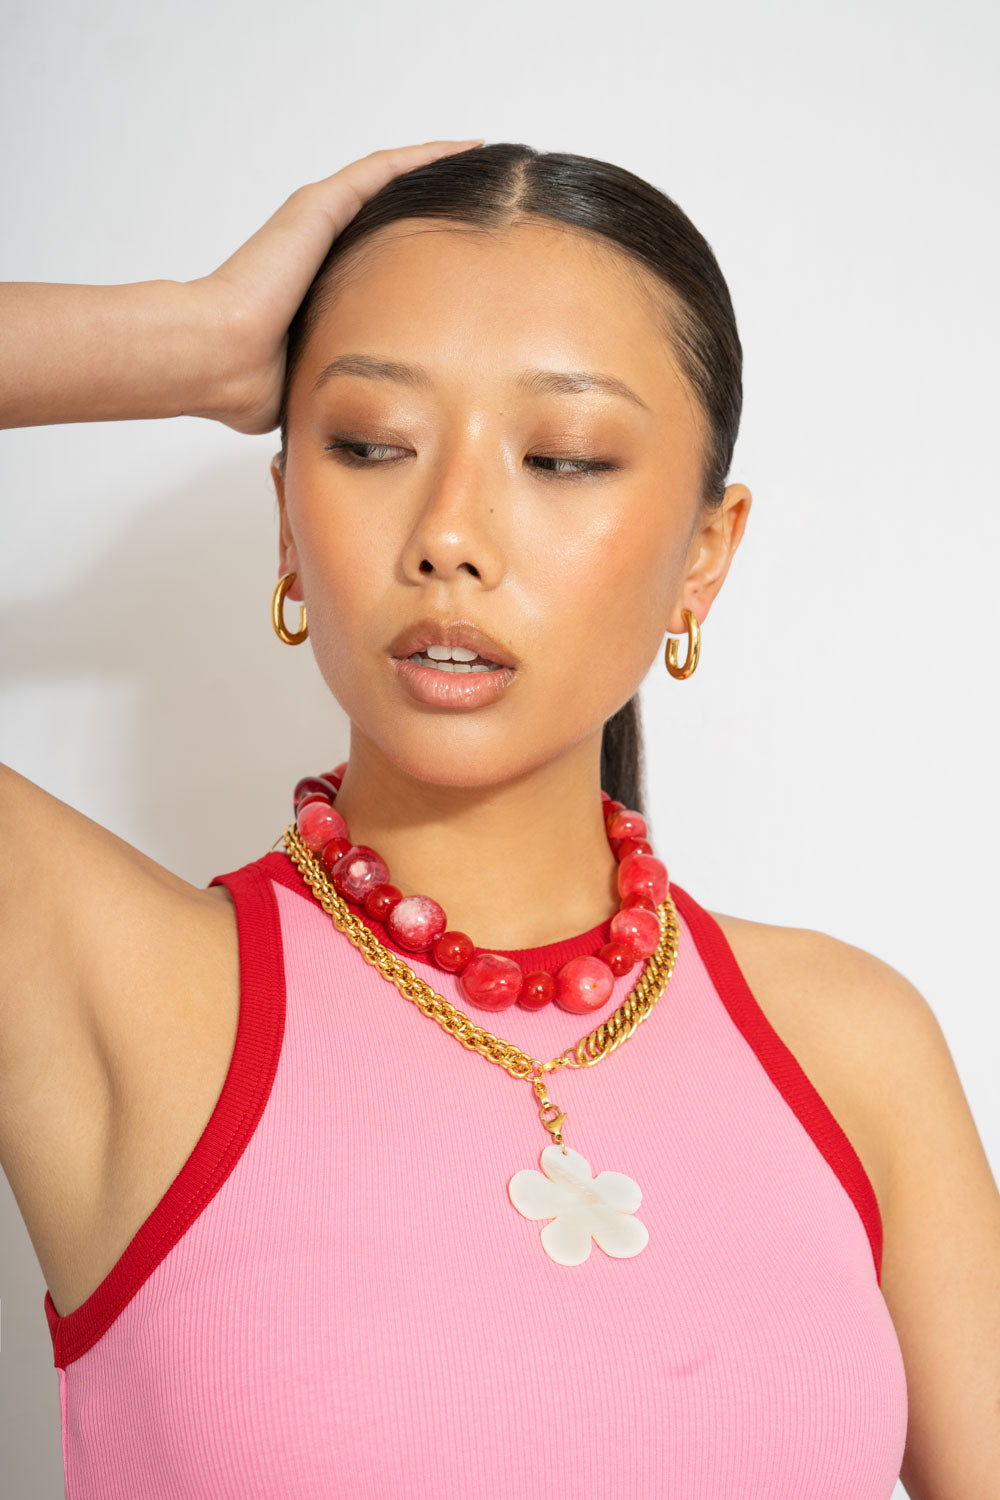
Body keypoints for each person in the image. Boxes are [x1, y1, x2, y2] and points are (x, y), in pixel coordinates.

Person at [1, 139, 997, 1500]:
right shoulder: (106, 983)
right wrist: (191, 340)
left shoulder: (854, 1048)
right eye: (369, 445)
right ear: (286, 521)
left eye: (562, 457)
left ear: (704, 559)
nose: (450, 534)